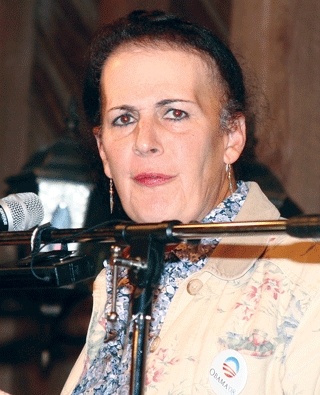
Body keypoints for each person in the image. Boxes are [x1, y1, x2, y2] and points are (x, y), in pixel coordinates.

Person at [62, 10, 320, 395]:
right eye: (124, 119)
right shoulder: (116, 280)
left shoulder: (305, 275)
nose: (145, 140)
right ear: (103, 152)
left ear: (231, 136)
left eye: (175, 113)